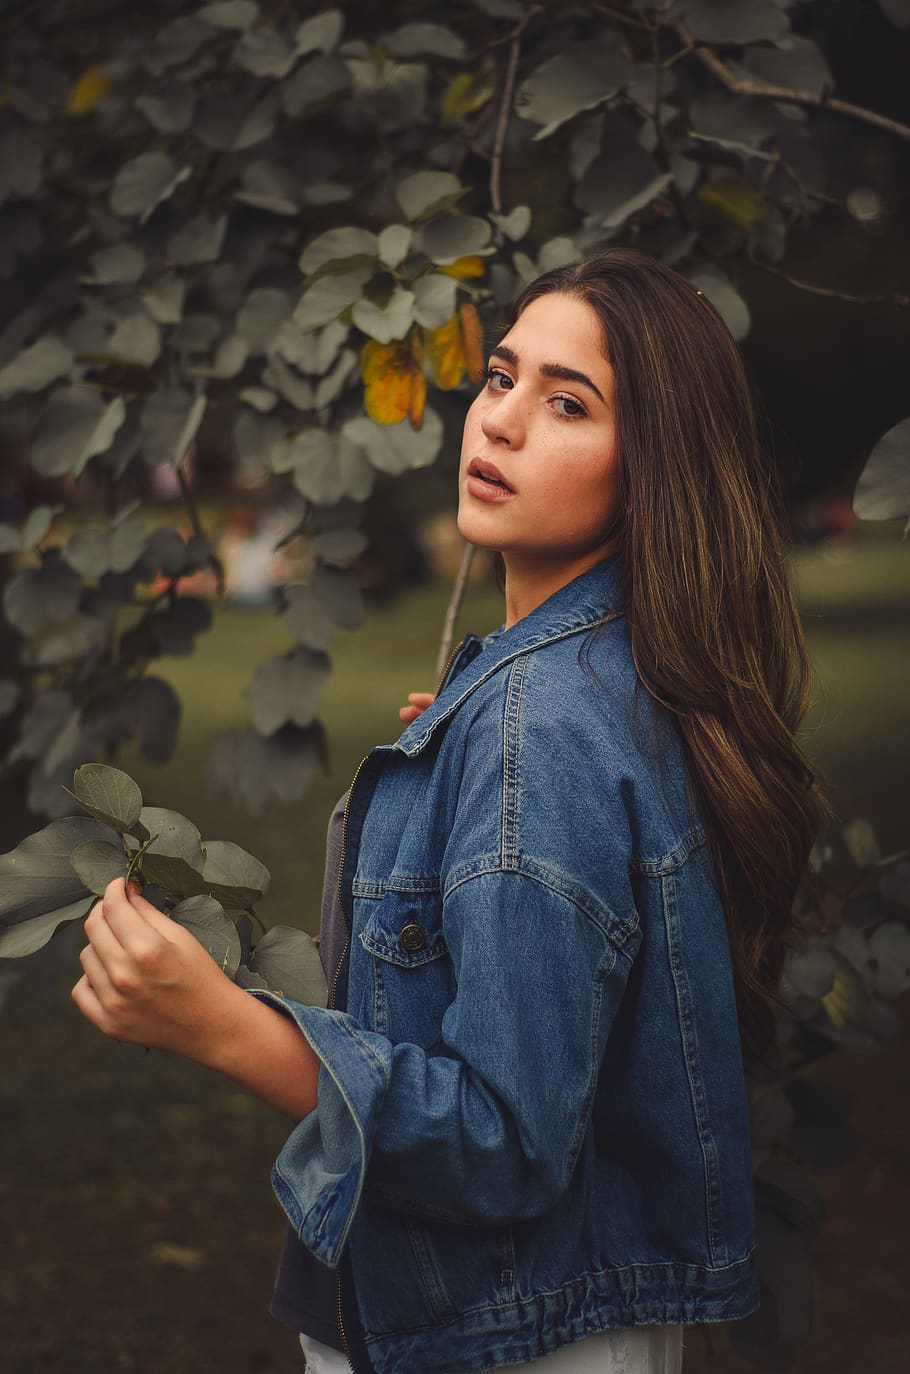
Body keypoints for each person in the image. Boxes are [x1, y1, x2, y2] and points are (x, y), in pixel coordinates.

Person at [72, 250, 822, 1374]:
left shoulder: (543, 727)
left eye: (569, 403)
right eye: (504, 377)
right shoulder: (596, 685)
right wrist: (464, 757)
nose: (504, 421)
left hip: (499, 1336)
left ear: (652, 467)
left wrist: (218, 1023)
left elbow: (503, 1141)